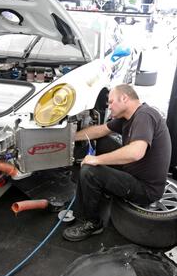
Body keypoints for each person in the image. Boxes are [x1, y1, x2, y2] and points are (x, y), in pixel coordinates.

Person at [63, 84, 171, 242]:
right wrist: (69, 138)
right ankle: (98, 190)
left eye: (111, 101)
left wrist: (96, 160)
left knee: (89, 171)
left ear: (125, 98)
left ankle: (93, 223)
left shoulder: (144, 115)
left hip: (146, 189)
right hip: (134, 171)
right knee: (102, 141)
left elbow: (135, 152)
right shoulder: (129, 117)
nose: (108, 106)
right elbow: (99, 130)